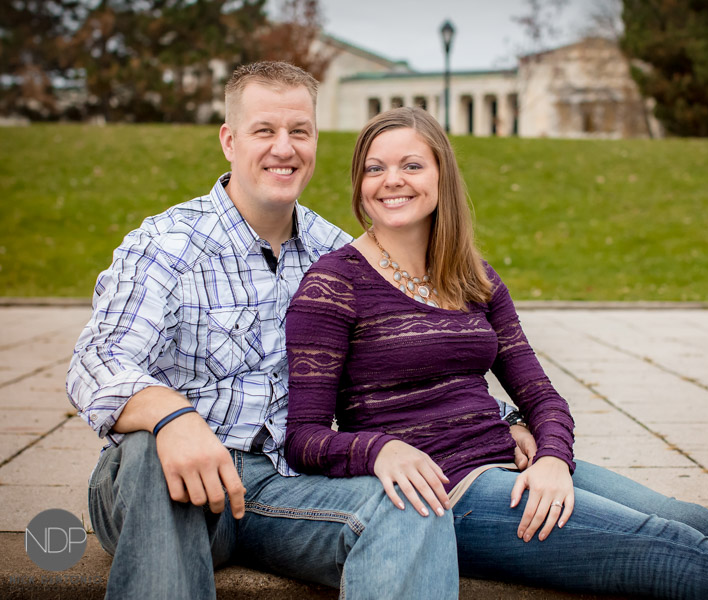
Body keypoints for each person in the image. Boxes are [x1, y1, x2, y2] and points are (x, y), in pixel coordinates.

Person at [283, 106, 708, 600]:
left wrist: (552, 456)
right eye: (375, 168)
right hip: (452, 497)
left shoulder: (472, 275)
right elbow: (305, 437)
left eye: (411, 165)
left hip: (519, 468)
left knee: (697, 520)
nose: (392, 181)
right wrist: (380, 447)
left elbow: (542, 395)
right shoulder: (334, 282)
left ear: (441, 175)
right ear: (359, 186)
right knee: (661, 546)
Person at [66, 62, 474, 599]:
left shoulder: (339, 257)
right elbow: (97, 361)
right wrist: (173, 417)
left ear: (314, 141)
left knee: (415, 507)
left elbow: (413, 359)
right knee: (147, 451)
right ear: (229, 140)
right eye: (265, 131)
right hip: (163, 486)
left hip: (283, 488)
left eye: (299, 131)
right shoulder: (166, 244)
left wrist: (508, 421)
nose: (284, 148)